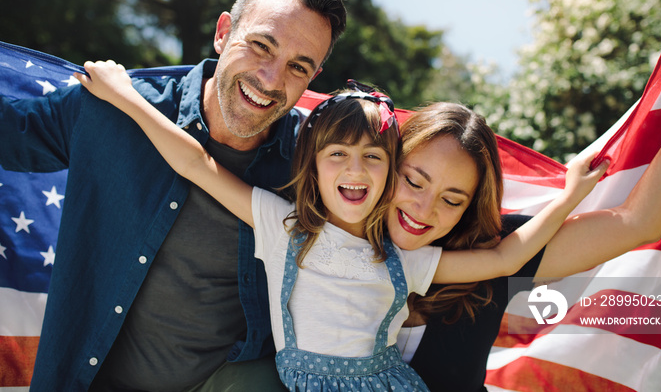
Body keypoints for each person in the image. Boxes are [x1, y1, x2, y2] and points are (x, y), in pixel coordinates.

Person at [75, 62, 606, 390]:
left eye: (373, 158)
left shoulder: (401, 259)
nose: (355, 171)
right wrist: (126, 97)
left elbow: (505, 259)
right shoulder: (281, 225)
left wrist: (569, 197)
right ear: (312, 163)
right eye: (338, 154)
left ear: (391, 167)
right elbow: (194, 164)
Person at [0, 0, 346, 391]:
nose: (271, 80)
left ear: (313, 79)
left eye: (298, 67)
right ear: (223, 33)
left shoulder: (316, 169)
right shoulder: (112, 109)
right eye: (260, 46)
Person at [390, 22, 661, 391]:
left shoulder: (499, 250)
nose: (424, 209)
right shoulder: (334, 236)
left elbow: (638, 223)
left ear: (471, 206)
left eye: (452, 199)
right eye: (413, 181)